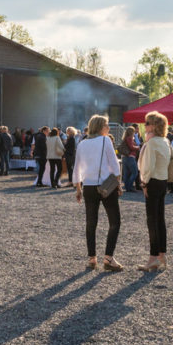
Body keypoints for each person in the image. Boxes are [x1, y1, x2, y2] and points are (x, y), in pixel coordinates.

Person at [74, 115, 124, 271]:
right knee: (114, 222)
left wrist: (78, 187)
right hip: (106, 186)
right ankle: (108, 258)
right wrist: (118, 183)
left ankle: (92, 258)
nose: (108, 128)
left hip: (88, 186)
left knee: (91, 222)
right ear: (100, 127)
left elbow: (77, 167)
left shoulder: (82, 143)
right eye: (107, 125)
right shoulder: (105, 140)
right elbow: (114, 164)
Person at [138, 111, 173, 272]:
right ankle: (161, 254)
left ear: (153, 126)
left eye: (146, 123)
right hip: (163, 180)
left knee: (152, 220)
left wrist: (144, 183)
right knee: (160, 219)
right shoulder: (165, 141)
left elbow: (148, 166)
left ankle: (153, 258)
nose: (144, 126)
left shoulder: (152, 143)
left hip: (152, 182)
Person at [121, 126, 139, 192]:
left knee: (126, 174)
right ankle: (129, 186)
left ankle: (127, 187)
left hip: (124, 157)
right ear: (132, 132)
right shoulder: (129, 138)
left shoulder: (125, 138)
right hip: (130, 157)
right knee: (135, 172)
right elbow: (131, 147)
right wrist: (138, 147)